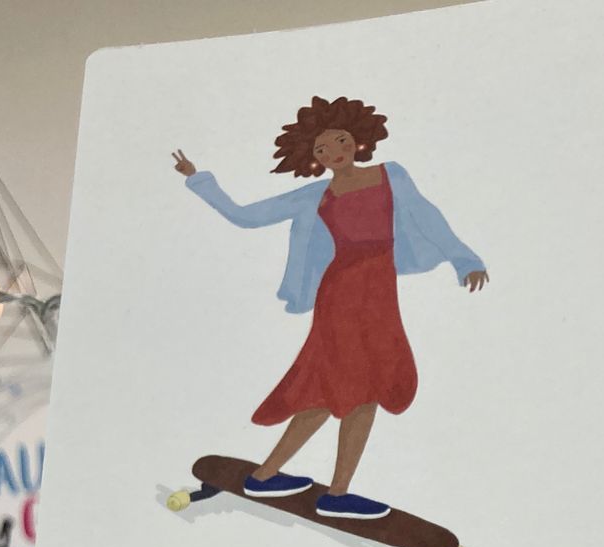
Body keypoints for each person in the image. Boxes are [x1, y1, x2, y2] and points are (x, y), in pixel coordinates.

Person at [172, 94, 487, 520]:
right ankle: (305, 487)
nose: (333, 152)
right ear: (313, 159)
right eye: (320, 149)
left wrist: (464, 260)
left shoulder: (391, 175)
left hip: (379, 296)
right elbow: (248, 216)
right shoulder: (316, 194)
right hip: (342, 294)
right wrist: (198, 179)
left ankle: (298, 484)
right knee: (337, 386)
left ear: (358, 138)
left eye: (339, 140)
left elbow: (428, 217)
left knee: (365, 388)